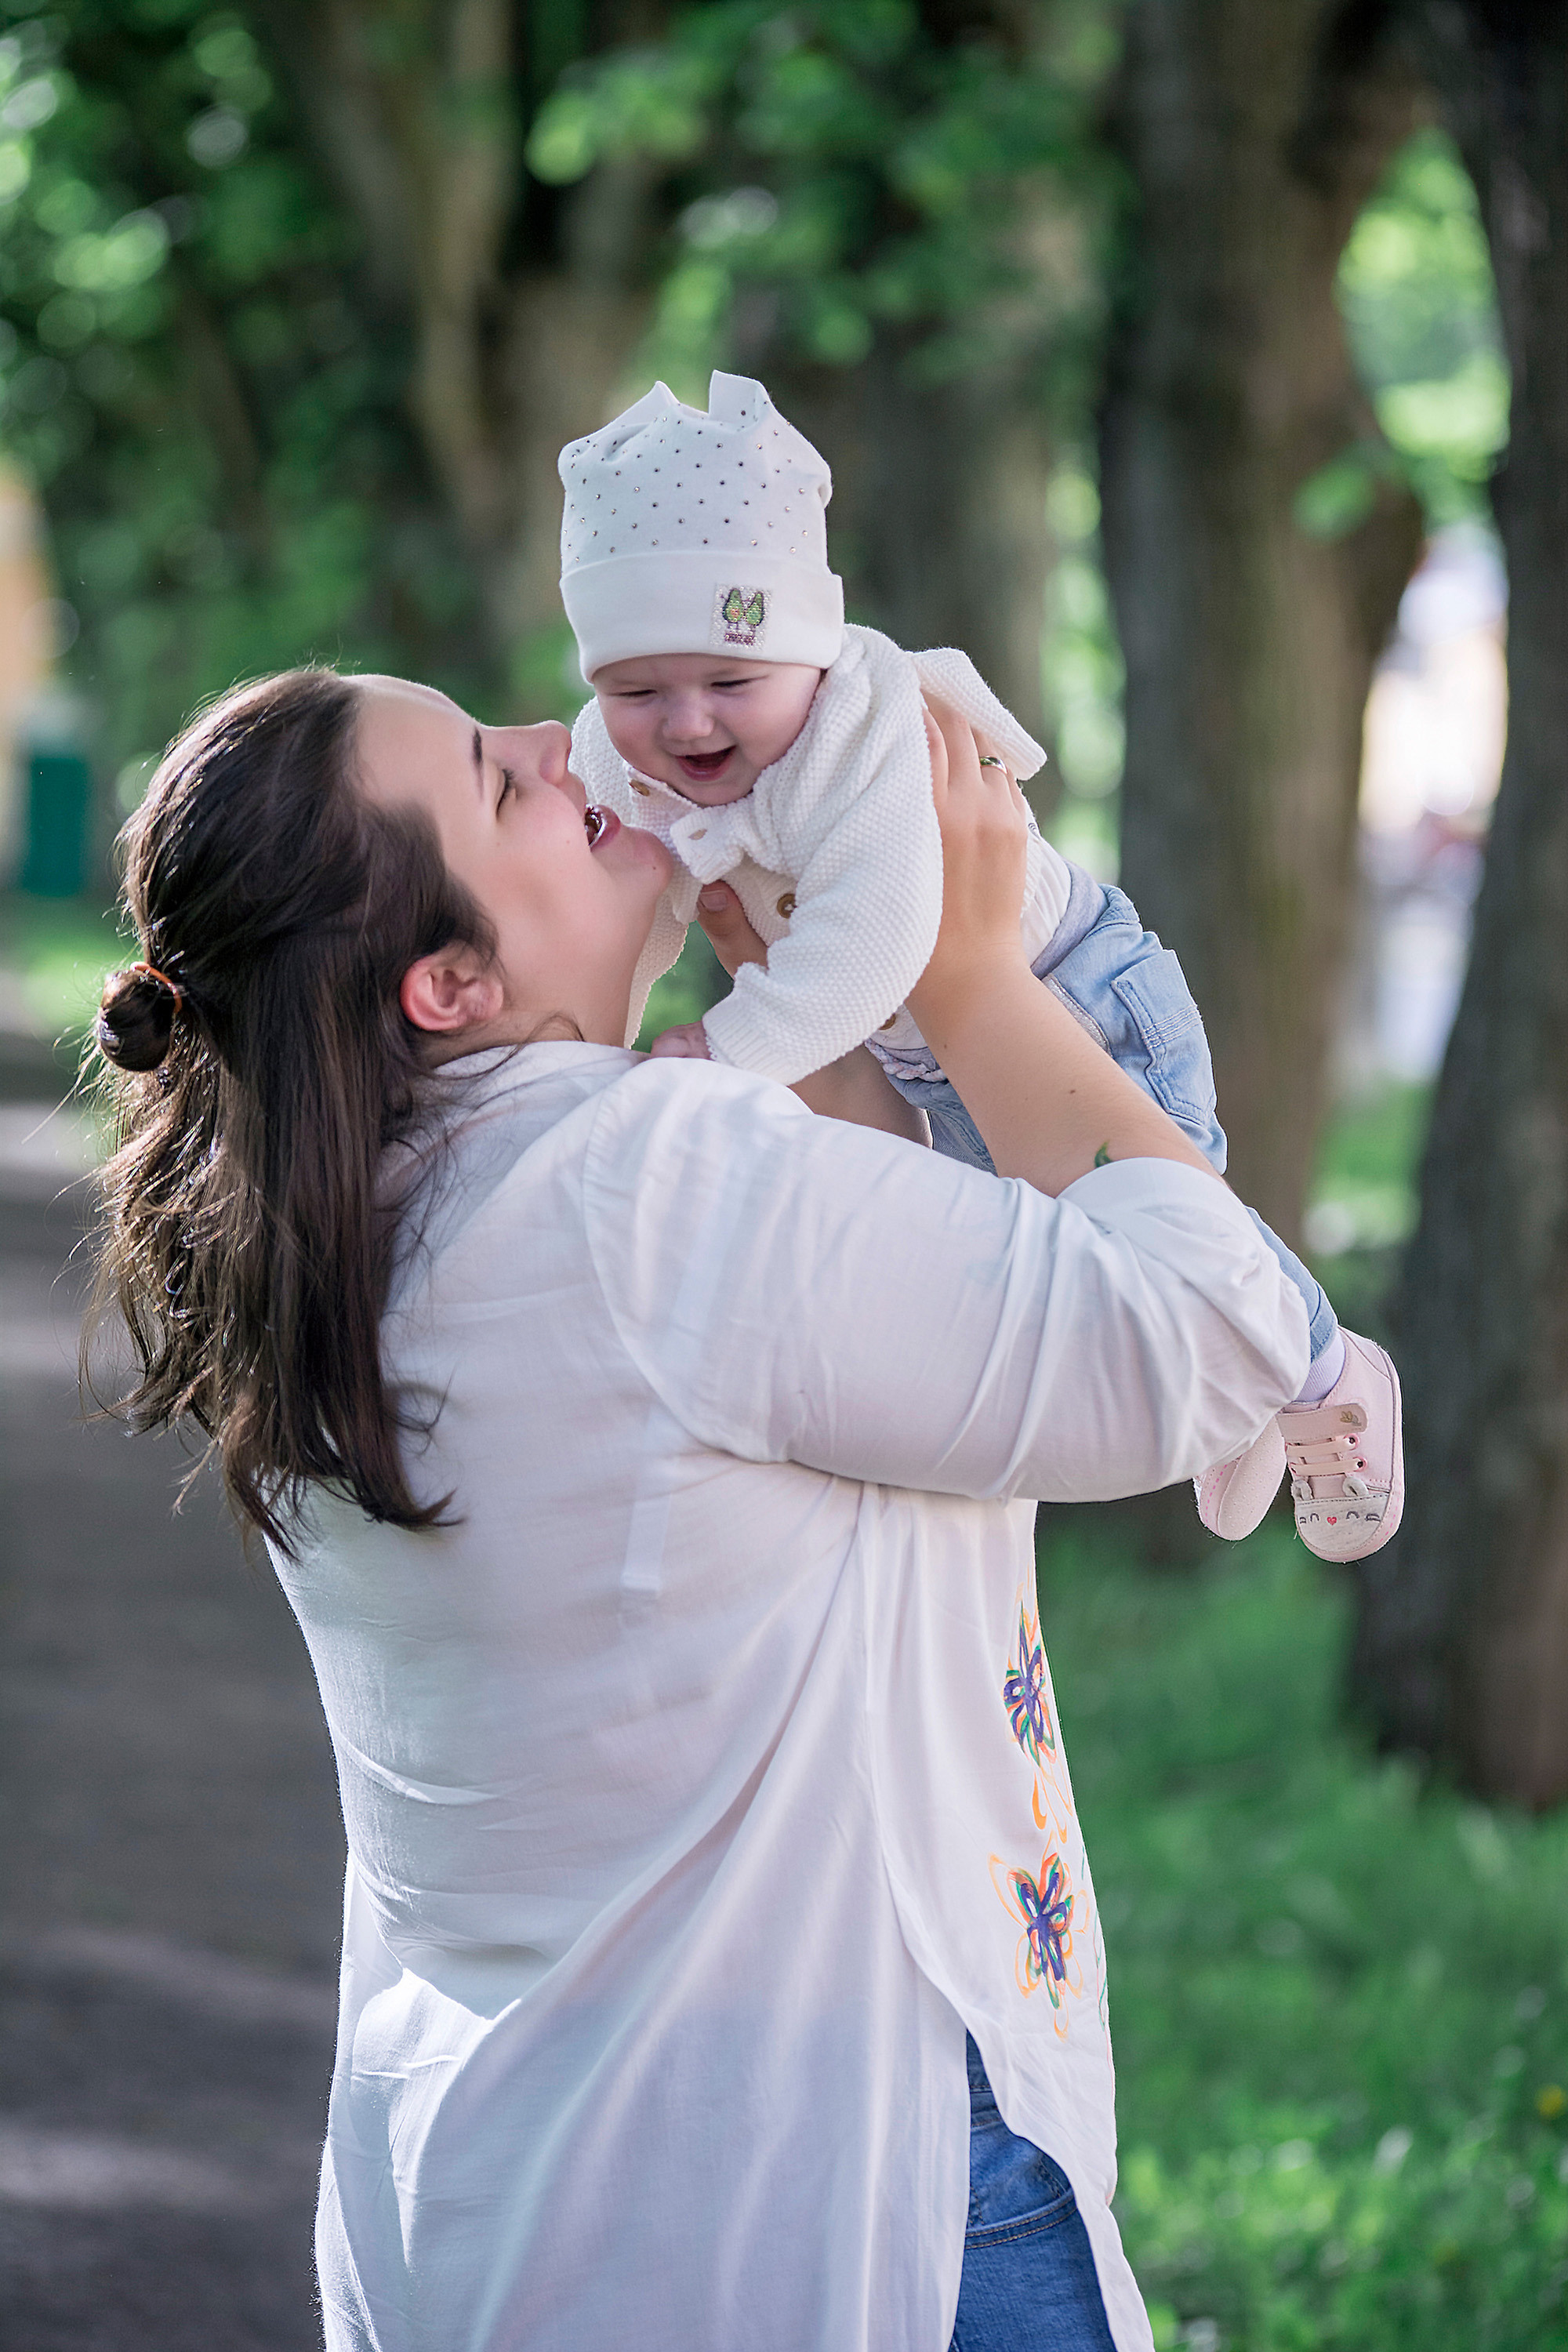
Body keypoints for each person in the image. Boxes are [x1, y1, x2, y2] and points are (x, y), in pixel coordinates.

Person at [92, 666, 1308, 2352]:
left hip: (490, 2204)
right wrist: (964, 976)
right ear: (450, 985)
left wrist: (825, 1016)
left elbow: (863, 1340)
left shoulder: (335, 1231)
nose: (554, 742)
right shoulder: (643, 1183)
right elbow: (1224, 1339)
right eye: (497, 785)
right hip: (832, 2205)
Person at [561, 372, 1403, 1564]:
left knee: (1175, 1218)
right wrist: (597, 1050)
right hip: (920, 1052)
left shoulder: (863, 726)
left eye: (731, 683)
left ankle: (1324, 1375)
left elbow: (881, 936)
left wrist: (730, 1056)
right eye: (637, 690)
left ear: (810, 653)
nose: (687, 725)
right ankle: (1226, 1382)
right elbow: (638, 902)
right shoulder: (618, 756)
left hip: (1073, 989)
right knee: (1055, 1261)